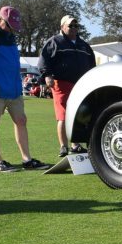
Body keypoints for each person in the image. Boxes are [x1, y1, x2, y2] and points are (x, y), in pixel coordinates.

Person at [0, 6, 50, 172]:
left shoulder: (11, 38)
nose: (13, 29)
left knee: (21, 121)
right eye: (9, 25)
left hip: (14, 90)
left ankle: (27, 160)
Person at [38, 15, 96, 157]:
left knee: (79, 115)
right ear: (62, 27)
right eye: (71, 25)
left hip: (81, 85)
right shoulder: (54, 42)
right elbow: (44, 60)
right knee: (63, 116)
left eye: (76, 26)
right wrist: (47, 75)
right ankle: (63, 146)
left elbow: (91, 63)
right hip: (61, 83)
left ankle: (75, 145)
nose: (74, 28)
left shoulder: (84, 45)